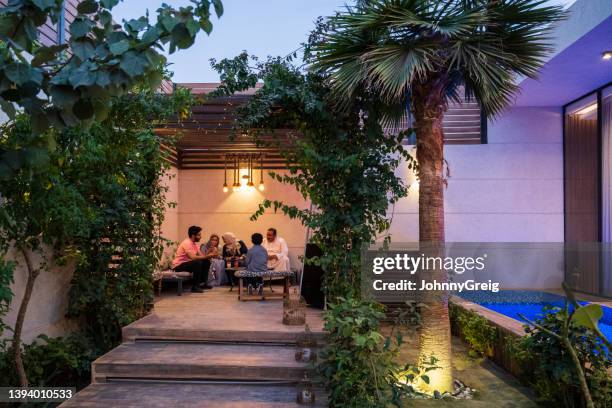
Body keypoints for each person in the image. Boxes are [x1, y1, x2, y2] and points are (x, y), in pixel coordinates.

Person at [172, 226, 215, 293]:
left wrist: (209, 253)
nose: (200, 236)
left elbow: (202, 256)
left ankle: (203, 283)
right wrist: (207, 256)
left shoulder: (194, 244)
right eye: (199, 235)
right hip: (178, 266)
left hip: (186, 264)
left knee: (206, 262)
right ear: (193, 235)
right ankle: (195, 287)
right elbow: (193, 257)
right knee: (197, 263)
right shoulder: (187, 243)